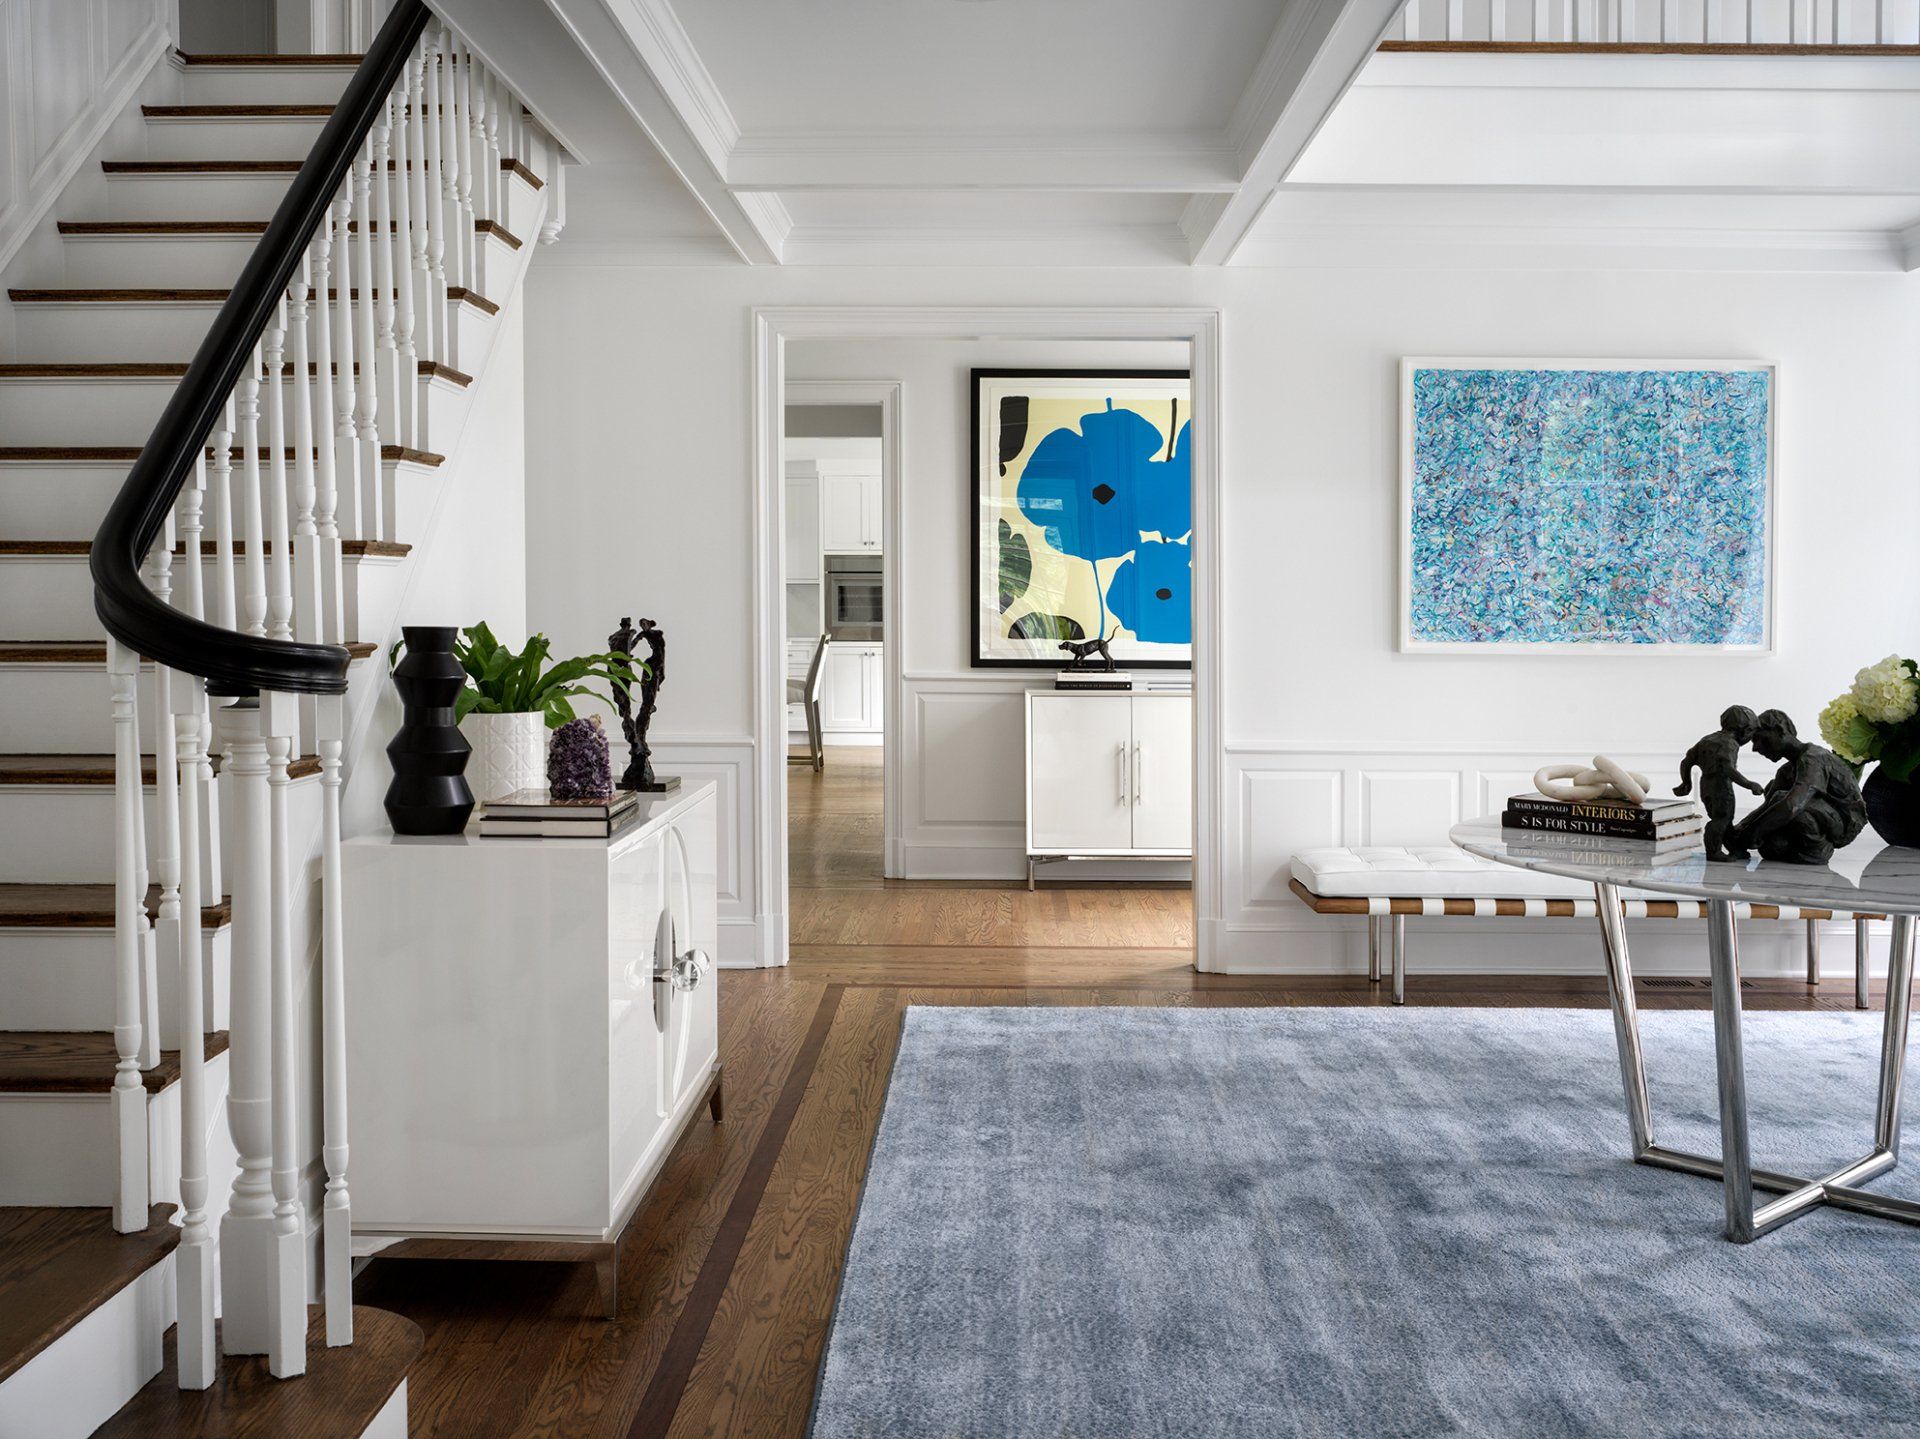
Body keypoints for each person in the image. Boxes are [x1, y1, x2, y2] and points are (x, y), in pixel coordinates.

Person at [1724, 709, 1867, 865]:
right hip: (1819, 816)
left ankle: (1817, 849)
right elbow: (1766, 807)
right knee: (1772, 846)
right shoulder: (1786, 771)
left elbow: (1792, 805)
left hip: (1843, 825)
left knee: (1781, 798)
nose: (1755, 748)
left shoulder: (1813, 758)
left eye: (1760, 739)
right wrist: (1738, 829)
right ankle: (1804, 847)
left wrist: (1751, 834)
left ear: (1780, 731)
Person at [1674, 705, 1765, 861]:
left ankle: (1734, 849)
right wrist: (1750, 784)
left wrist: (1686, 782)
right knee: (1721, 819)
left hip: (1705, 785)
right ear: (1745, 730)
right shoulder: (1730, 744)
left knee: (1724, 820)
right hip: (1721, 786)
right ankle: (1713, 851)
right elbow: (1728, 769)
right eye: (1751, 733)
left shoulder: (1707, 740)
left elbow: (1686, 761)